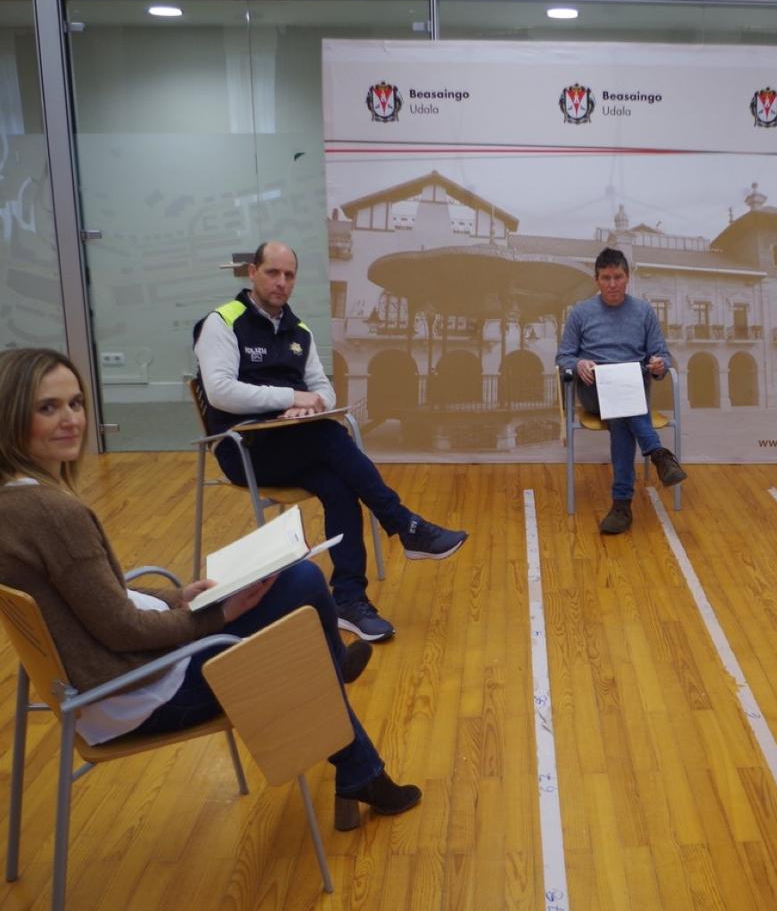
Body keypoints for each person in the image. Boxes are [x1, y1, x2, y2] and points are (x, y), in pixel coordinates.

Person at [0, 347, 421, 829]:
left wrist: (177, 597)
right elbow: (122, 629)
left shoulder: (14, 504)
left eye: (75, 403)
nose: (70, 419)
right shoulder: (56, 515)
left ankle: (358, 761)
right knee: (302, 587)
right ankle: (341, 691)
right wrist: (214, 615)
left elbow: (93, 596)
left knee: (293, 600)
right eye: (48, 408)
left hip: (97, 691)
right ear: (12, 416)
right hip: (141, 694)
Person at [193, 241, 468, 642]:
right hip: (244, 449)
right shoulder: (222, 322)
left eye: (289, 275)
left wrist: (311, 404)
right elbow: (220, 392)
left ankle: (349, 600)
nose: (281, 282)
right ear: (252, 273)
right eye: (272, 272)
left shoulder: (299, 331)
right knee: (328, 435)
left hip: (295, 444)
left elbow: (324, 389)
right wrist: (290, 398)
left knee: (339, 482)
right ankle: (405, 524)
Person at [556, 247, 687, 534]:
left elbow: (662, 356)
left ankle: (622, 505)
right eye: (606, 278)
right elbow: (563, 356)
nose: (612, 284)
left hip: (632, 390)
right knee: (619, 403)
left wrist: (659, 364)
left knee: (620, 417)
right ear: (597, 280)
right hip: (594, 390)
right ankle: (658, 454)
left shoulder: (643, 311)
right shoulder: (580, 312)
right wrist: (578, 363)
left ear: (627, 277)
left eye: (618, 277)